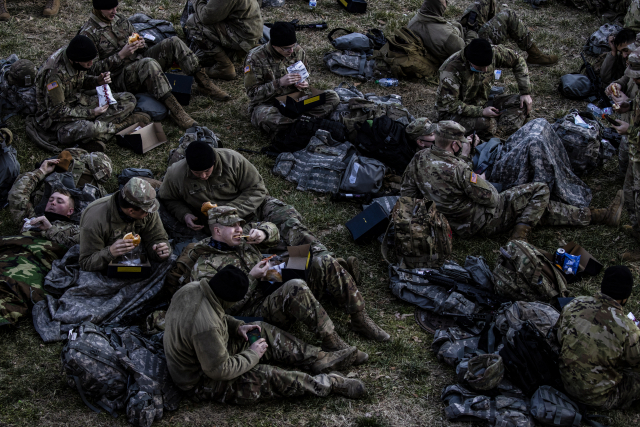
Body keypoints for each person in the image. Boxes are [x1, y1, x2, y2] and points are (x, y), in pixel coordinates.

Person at [187, 206, 387, 351]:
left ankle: (359, 317)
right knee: (296, 286)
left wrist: (264, 233)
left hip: (271, 282)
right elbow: (220, 309)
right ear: (217, 230)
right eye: (233, 226)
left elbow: (272, 229)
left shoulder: (242, 239)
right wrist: (252, 277)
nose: (239, 229)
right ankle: (329, 337)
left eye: (239, 224)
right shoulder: (206, 265)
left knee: (321, 259)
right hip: (256, 311)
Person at [164, 266, 366, 404]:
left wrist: (237, 327)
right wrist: (253, 354)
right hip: (201, 379)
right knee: (266, 376)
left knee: (257, 329)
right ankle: (328, 383)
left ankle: (318, 358)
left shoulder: (193, 288)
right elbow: (219, 370)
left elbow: (219, 317)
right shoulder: (206, 327)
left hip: (211, 350)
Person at [400, 121, 624, 241]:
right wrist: (479, 179)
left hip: (447, 222)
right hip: (479, 222)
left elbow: (407, 190)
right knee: (539, 191)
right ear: (455, 145)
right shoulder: (460, 170)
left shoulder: (419, 158)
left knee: (531, 207)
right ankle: (520, 235)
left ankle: (600, 216)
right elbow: (491, 198)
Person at [79, 0, 230, 130]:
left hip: (138, 61)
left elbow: (135, 37)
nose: (114, 11)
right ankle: (176, 110)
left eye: (116, 7)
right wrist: (120, 55)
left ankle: (203, 82)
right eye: (110, 9)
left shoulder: (119, 19)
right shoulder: (88, 34)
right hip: (119, 78)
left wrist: (141, 43)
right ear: (98, 8)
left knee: (174, 42)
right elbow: (91, 70)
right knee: (148, 64)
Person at [34, 35, 149, 152]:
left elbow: (78, 81)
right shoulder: (54, 76)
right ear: (75, 60)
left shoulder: (76, 55)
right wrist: (92, 113)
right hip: (57, 121)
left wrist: (97, 81)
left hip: (77, 100)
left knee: (129, 99)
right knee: (91, 129)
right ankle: (120, 126)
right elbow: (56, 112)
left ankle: (95, 137)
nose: (91, 64)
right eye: (87, 61)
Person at [557, 265, 640, 409]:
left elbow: (558, 336)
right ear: (625, 298)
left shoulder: (574, 304)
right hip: (597, 398)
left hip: (564, 382)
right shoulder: (628, 330)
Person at [243, 21, 340, 135]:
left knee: (332, 97)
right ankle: (307, 123)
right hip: (269, 103)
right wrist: (279, 83)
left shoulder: (297, 50)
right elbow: (252, 94)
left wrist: (305, 82)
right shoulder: (255, 58)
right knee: (267, 117)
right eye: (287, 48)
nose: (292, 51)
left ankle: (300, 124)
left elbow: (306, 73)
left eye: (293, 46)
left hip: (297, 99)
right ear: (274, 45)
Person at [8, 150, 112, 248]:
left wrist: (50, 229)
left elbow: (91, 240)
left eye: (59, 201)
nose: (52, 202)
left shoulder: (73, 229)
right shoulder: (31, 218)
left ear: (70, 211)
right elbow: (17, 194)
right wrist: (41, 171)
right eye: (50, 200)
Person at [407, 0, 557, 66]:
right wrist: (472, 31)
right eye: (444, 2)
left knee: (483, 2)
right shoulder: (447, 37)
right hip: (471, 46)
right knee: (508, 15)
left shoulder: (416, 20)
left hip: (457, 34)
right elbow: (467, 52)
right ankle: (534, 54)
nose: (447, 3)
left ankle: (496, 28)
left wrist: (462, 26)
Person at [435, 38, 532, 137]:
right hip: (455, 113)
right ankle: (491, 133)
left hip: (482, 102)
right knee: (487, 123)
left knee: (522, 104)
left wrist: (525, 92)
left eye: (487, 66)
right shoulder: (450, 70)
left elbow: (518, 60)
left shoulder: (491, 52)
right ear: (469, 61)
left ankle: (497, 134)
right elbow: (450, 104)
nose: (485, 70)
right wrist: (481, 112)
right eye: (480, 68)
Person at [78, 177, 171, 271]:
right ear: (131, 211)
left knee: (170, 263)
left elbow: (158, 238)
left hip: (138, 259)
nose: (149, 214)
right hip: (107, 263)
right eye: (146, 212)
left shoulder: (147, 207)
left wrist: (160, 250)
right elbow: (86, 262)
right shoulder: (94, 219)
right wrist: (110, 252)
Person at [609, 52, 640, 260]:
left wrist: (630, 130)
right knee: (631, 192)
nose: (635, 80)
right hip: (636, 153)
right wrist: (628, 106)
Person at [184, 0, 263, 80]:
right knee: (198, 57)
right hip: (250, 29)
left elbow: (206, 16)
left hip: (242, 34)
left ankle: (224, 66)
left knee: (193, 21)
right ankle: (240, 51)